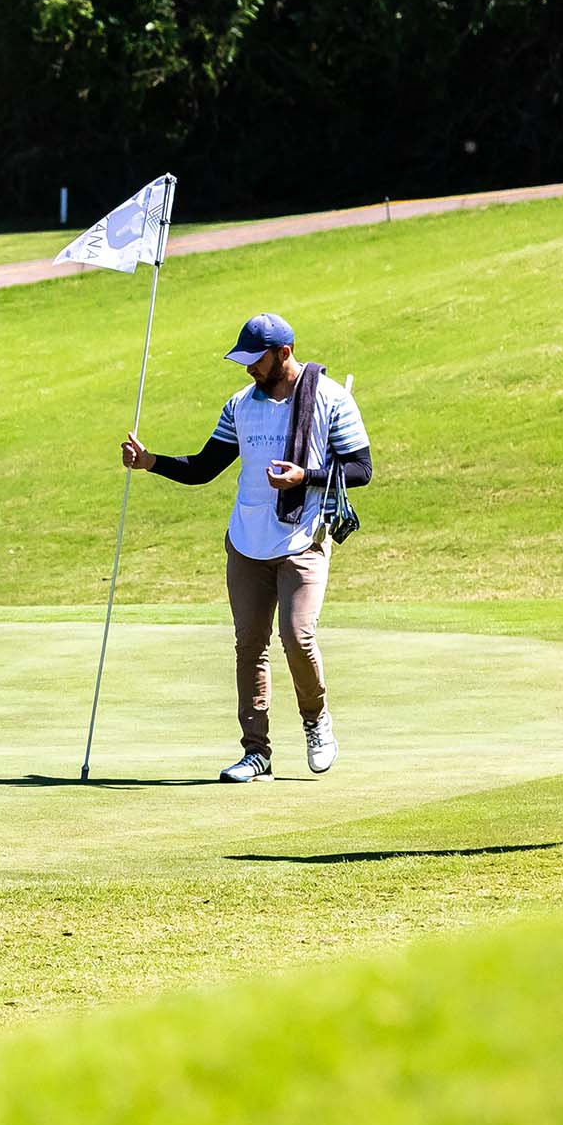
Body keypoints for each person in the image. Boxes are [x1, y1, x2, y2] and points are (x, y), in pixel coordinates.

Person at [120, 313, 371, 782]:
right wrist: (150, 461)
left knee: (297, 637)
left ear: (285, 353)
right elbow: (204, 467)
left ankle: (316, 721)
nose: (249, 369)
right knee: (249, 646)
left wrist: (306, 477)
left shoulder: (332, 399)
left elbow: (361, 469)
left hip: (302, 539)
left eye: (256, 360)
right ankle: (256, 753)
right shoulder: (240, 404)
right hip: (246, 542)